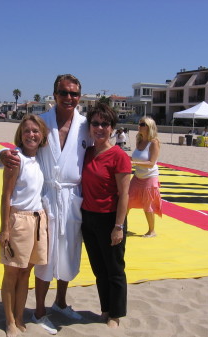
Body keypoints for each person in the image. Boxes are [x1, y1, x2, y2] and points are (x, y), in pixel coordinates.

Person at [0, 74, 91, 334]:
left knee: (69, 252)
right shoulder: (43, 121)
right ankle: (38, 311)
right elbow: (19, 148)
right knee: (45, 258)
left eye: (73, 94)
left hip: (72, 197)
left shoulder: (85, 124)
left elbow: (100, 148)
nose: (68, 98)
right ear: (54, 94)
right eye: (63, 92)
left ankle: (60, 302)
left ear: (79, 96)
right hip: (45, 198)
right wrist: (0, 155)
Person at [0, 115, 49, 337]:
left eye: (35, 131)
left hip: (38, 220)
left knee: (26, 272)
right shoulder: (15, 159)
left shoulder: (42, 158)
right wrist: (4, 228)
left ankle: (19, 317)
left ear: (42, 135)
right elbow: (6, 195)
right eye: (27, 131)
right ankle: (9, 321)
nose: (31, 135)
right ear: (20, 134)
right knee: (12, 272)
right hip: (18, 219)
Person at [81, 103, 131, 329]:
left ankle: (116, 314)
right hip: (88, 218)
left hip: (110, 219)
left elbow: (124, 195)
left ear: (112, 128)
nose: (99, 128)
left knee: (114, 269)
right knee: (99, 269)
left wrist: (118, 226)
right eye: (95, 123)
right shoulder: (87, 152)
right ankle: (105, 308)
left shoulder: (119, 156)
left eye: (105, 124)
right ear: (89, 126)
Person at [128, 117, 162, 238]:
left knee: (148, 205)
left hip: (149, 177)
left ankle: (151, 231)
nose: (139, 126)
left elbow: (151, 163)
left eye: (142, 124)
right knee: (126, 200)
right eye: (139, 123)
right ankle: (121, 226)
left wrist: (134, 163)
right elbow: (136, 158)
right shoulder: (139, 139)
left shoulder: (154, 142)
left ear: (149, 127)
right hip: (138, 176)